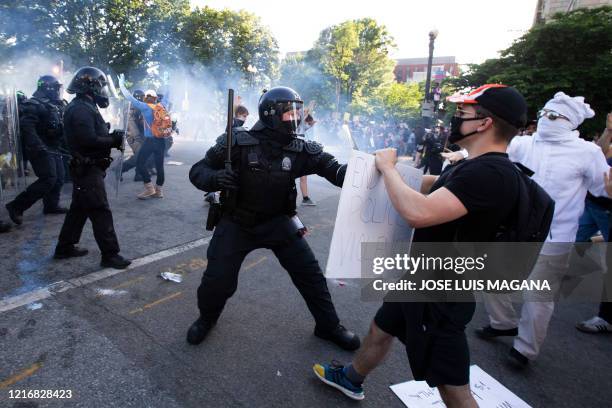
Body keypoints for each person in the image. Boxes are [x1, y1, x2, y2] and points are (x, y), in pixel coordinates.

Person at [313, 84, 527, 406]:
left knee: (452, 386)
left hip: (442, 293)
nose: (454, 120)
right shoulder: (474, 164)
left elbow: (418, 212)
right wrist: (386, 172)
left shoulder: (490, 173)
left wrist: (387, 168)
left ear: (485, 123)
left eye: (462, 114)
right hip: (422, 279)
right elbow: (435, 186)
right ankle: (351, 379)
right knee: (381, 328)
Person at [187, 87, 359, 351]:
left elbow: (334, 170)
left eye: (298, 112)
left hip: (279, 221)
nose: (296, 117)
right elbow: (198, 170)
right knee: (217, 280)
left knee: (310, 275)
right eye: (291, 112)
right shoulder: (236, 142)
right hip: (237, 222)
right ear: (271, 114)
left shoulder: (300, 148)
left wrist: (368, 169)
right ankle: (207, 318)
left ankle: (328, 325)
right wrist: (215, 179)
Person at [478, 94, 609, 366]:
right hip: (514, 229)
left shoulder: (588, 152)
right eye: (544, 113)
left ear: (571, 122)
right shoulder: (523, 143)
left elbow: (601, 188)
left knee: (538, 295)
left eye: (555, 116)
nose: (546, 120)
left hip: (555, 235)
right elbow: (491, 154)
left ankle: (524, 350)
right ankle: (503, 323)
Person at [53, 66, 131, 270]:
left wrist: (109, 136)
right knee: (99, 210)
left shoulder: (85, 105)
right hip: (87, 169)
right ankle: (110, 255)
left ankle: (64, 247)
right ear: (91, 87)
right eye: (101, 86)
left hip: (87, 168)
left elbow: (92, 134)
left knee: (79, 209)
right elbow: (87, 140)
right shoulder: (80, 109)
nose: (103, 91)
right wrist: (112, 140)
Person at [5, 75, 68, 226]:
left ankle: (51, 205)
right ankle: (16, 206)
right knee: (48, 179)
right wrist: (38, 146)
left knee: (59, 178)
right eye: (56, 87)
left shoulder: (54, 104)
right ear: (48, 87)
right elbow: (27, 127)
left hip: (53, 146)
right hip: (39, 148)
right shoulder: (33, 104)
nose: (58, 91)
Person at [118, 76, 167, 199]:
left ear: (146, 98)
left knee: (140, 163)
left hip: (150, 141)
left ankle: (149, 188)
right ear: (155, 98)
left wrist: (122, 85)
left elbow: (129, 97)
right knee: (160, 167)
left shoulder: (144, 106)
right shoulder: (161, 106)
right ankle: (159, 191)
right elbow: (168, 97)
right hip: (161, 141)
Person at [204, 105, 249, 206]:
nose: (245, 119)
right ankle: (213, 194)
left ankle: (212, 193)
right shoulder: (234, 123)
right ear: (238, 115)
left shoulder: (235, 122)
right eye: (244, 116)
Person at [300, 113, 317, 206]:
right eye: (309, 124)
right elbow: (304, 116)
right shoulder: (299, 126)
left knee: (303, 177)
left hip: (301, 155)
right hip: (296, 155)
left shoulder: (305, 128)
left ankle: (305, 198)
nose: (310, 126)